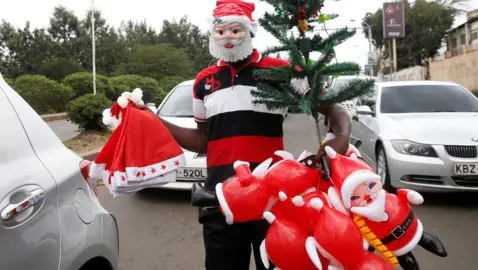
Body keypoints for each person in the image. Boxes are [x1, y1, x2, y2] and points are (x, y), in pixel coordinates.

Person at [139, 1, 352, 269]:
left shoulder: (280, 71)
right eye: (221, 30)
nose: (228, 37)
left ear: (250, 31)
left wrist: (340, 138)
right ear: (212, 33)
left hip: (274, 200)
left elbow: (334, 109)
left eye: (235, 30)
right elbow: (204, 139)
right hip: (222, 199)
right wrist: (155, 122)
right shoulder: (204, 82)